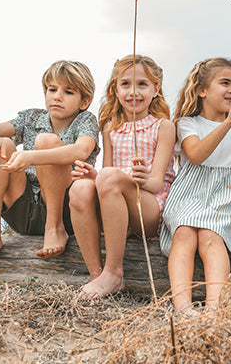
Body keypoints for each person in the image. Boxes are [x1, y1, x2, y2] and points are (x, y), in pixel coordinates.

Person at [0, 60, 99, 275]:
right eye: (52, 89)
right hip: (24, 210)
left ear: (84, 101)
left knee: (47, 141)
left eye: (68, 92)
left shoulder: (86, 120)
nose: (57, 96)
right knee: (2, 145)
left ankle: (54, 228)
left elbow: (81, 150)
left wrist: (31, 157)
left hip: (65, 210)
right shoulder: (32, 117)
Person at [160, 58, 231, 312]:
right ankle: (183, 308)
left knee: (211, 235)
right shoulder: (189, 123)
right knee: (184, 232)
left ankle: (214, 309)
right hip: (191, 194)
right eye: (225, 83)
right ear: (202, 90)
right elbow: (196, 155)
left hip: (226, 195)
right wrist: (228, 122)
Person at [69, 55, 175, 300]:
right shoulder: (110, 127)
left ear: (156, 89)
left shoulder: (163, 126)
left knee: (110, 177)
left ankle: (114, 272)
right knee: (80, 188)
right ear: (115, 90)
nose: (133, 92)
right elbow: (106, 174)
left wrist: (143, 179)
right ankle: (97, 275)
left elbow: (157, 183)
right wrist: (92, 175)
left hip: (149, 207)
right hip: (115, 203)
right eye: (125, 84)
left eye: (142, 84)